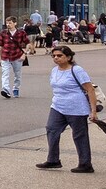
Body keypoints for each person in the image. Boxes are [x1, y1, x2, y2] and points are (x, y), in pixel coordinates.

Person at [36, 44, 97, 173]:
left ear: (68, 57)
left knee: (79, 135)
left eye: (59, 56)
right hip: (58, 106)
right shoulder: (54, 70)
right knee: (51, 129)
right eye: (54, 56)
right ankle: (53, 160)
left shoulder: (77, 70)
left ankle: (85, 164)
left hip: (76, 107)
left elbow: (90, 89)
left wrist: (93, 111)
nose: (56, 58)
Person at [0, 19, 29, 98]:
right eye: (7, 23)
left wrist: (24, 54)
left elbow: (27, 43)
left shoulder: (21, 33)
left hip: (17, 56)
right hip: (6, 56)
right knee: (5, 74)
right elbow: (1, 46)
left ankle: (16, 88)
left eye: (10, 23)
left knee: (17, 74)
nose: (8, 24)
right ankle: (5, 90)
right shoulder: (3, 33)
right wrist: (0, 58)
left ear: (15, 23)